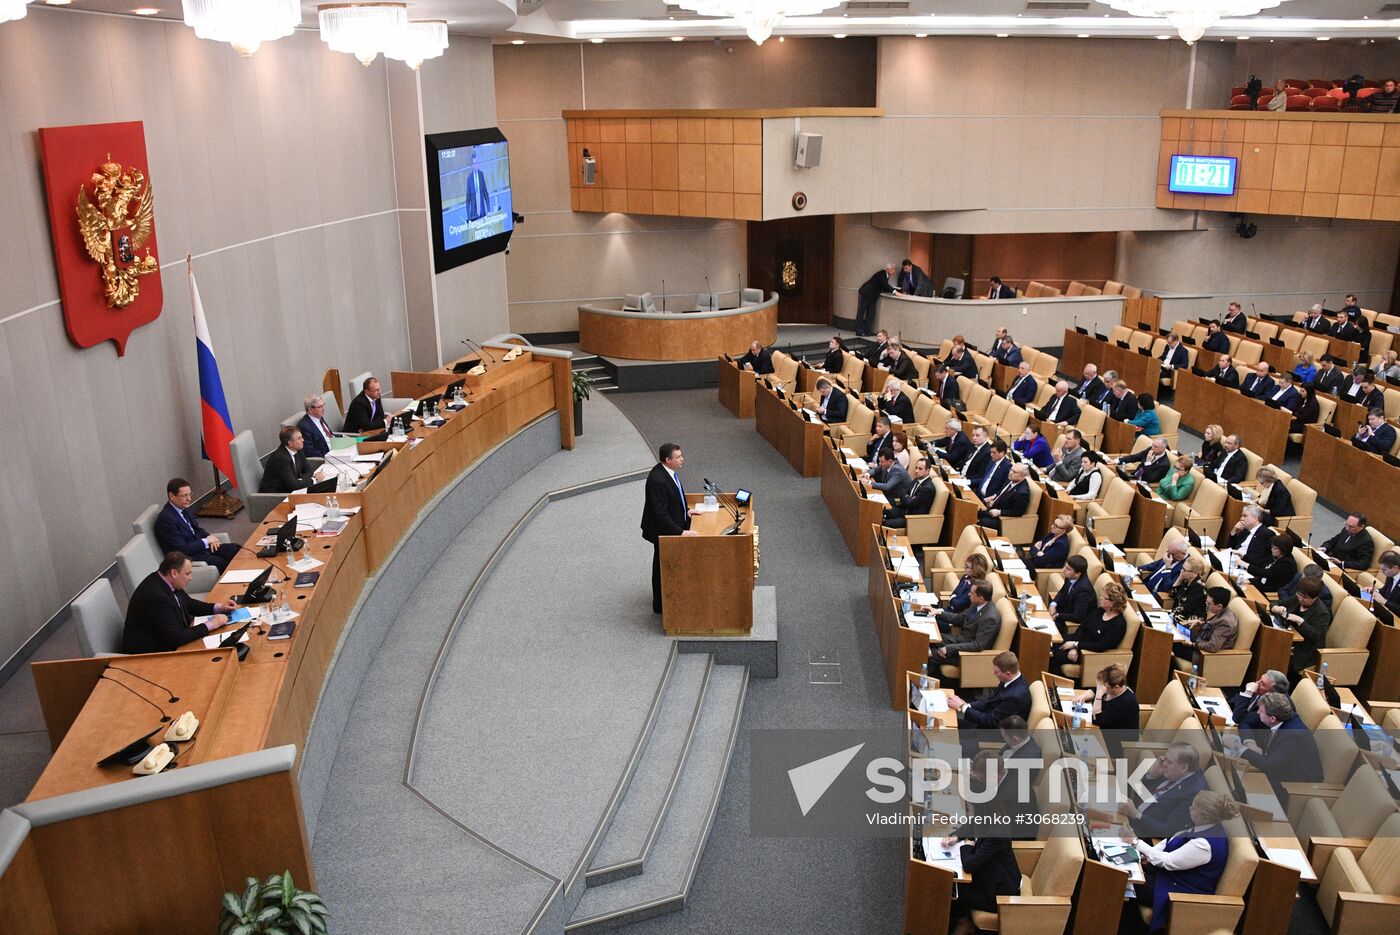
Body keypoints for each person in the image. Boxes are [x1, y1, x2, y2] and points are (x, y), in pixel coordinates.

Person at [1127, 792, 1239, 935]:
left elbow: (1168, 862)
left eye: (1194, 807)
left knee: (1125, 880)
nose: (1189, 808)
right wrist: (1149, 854)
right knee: (1126, 869)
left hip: (1178, 890)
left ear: (1204, 815)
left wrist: (1135, 842)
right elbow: (1171, 841)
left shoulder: (1205, 845)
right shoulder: (1204, 826)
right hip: (1171, 876)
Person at [121, 551, 238, 653]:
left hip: (168, 638)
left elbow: (190, 604)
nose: (190, 577)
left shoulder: (166, 581)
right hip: (149, 653)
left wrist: (219, 607)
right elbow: (177, 637)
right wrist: (212, 624)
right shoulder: (156, 597)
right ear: (174, 573)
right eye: (187, 573)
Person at [640, 443, 701, 613]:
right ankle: (660, 605)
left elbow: (674, 499)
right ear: (668, 460)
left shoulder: (669, 473)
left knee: (666, 564)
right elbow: (660, 514)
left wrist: (686, 512)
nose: (682, 459)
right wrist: (681, 532)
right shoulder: (658, 480)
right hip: (662, 532)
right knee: (662, 566)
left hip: (671, 525)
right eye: (678, 457)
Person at [1239, 692, 1323, 799]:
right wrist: (1249, 744)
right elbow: (1244, 721)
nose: (1258, 713)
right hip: (1279, 763)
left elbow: (1269, 766)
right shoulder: (1284, 718)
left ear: (1272, 719)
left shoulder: (1293, 735)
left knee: (1243, 781)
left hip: (1293, 783)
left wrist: (1240, 749)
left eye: (1261, 711)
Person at [1122, 742, 1208, 839]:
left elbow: (1167, 831)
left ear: (1183, 768)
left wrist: (1135, 814)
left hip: (1142, 835)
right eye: (1165, 758)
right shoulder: (1174, 772)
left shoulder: (1192, 794)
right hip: (1129, 818)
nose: (1164, 763)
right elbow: (1146, 796)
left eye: (1169, 762)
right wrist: (1152, 776)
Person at [154, 477, 239, 572]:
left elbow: (197, 529)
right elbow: (181, 549)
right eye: (184, 496)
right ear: (172, 496)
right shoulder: (166, 520)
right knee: (221, 562)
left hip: (201, 547)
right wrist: (206, 541)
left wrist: (211, 538)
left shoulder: (183, 507)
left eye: (190, 494)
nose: (189, 499)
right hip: (189, 557)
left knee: (235, 549)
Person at [1051, 582, 1127, 674]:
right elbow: (1083, 627)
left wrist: (1077, 646)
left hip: (1087, 653)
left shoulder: (1118, 625)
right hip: (1076, 641)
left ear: (1113, 603)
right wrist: (1074, 646)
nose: (1100, 598)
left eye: (1104, 597)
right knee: (1052, 643)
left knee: (1054, 655)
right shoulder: (1100, 611)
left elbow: (1100, 646)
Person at [946, 651, 1030, 727]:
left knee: (949, 726)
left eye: (997, 672)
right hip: (988, 715)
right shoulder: (1011, 679)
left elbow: (990, 721)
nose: (994, 673)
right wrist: (967, 705)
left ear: (1008, 673)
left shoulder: (1015, 697)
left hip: (993, 732)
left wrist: (963, 707)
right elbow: (990, 700)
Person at [1072, 663, 1139, 757]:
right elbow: (1094, 690)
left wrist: (1099, 694)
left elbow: (1097, 720)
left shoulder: (1125, 702)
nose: (1103, 689)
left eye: (1105, 688)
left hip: (1117, 744)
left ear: (1116, 687)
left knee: (1075, 742)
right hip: (1103, 732)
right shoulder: (1113, 689)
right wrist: (1084, 696)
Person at [1270, 576, 1330, 678]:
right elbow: (1276, 603)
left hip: (1305, 650)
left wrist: (1300, 621)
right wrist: (1276, 608)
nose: (1301, 599)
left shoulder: (1322, 613)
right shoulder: (1298, 598)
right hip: (1290, 638)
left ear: (1314, 598)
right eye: (1299, 595)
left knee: (1276, 659)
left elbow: (1315, 635)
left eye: (1305, 598)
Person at [933, 581, 1001, 664]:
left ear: (981, 599)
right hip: (959, 641)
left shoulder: (990, 618)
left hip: (966, 654)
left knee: (930, 655)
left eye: (972, 593)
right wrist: (939, 613)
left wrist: (949, 649)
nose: (969, 594)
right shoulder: (977, 604)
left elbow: (977, 645)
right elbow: (960, 618)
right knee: (929, 638)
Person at [1174, 586, 1238, 667]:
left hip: (1203, 655)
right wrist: (1200, 623)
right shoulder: (1224, 612)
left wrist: (1192, 644)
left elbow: (1212, 647)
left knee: (1171, 644)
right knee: (1176, 629)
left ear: (1219, 606)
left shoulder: (1226, 622)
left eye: (1209, 604)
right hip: (1201, 640)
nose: (1206, 605)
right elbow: (1213, 627)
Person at [260, 426, 319, 493]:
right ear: (290, 443)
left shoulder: (298, 449)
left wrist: (300, 481)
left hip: (291, 488)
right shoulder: (280, 458)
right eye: (299, 438)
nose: (303, 440)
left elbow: (308, 470)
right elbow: (293, 485)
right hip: (276, 495)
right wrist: (314, 479)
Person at [883, 457, 937, 529]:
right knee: (881, 510)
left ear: (927, 471)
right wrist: (907, 497)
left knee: (884, 523)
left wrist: (906, 496)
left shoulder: (927, 488)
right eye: (916, 468)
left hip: (911, 518)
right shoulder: (917, 479)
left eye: (920, 469)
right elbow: (903, 491)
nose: (917, 471)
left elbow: (910, 503)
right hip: (903, 510)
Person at [977, 462, 1029, 532]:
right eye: (1011, 470)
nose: (1011, 473)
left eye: (1015, 472)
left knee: (981, 520)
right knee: (974, 511)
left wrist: (999, 512)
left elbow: (1017, 512)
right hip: (994, 507)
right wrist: (994, 496)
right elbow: (1003, 491)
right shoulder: (1011, 479)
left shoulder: (1022, 493)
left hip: (1003, 519)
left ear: (1022, 476)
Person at [1049, 555, 1097, 626]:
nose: (1063, 569)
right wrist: (1053, 604)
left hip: (1068, 624)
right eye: (1065, 566)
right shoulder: (1070, 576)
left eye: (1068, 569)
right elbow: (1062, 592)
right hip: (1063, 611)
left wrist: (1057, 616)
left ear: (1077, 574)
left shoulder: (1084, 590)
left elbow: (1078, 616)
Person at [855, 264, 896, 336]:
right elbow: (885, 285)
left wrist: (895, 290)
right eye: (893, 270)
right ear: (888, 269)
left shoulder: (886, 276)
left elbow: (883, 286)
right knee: (861, 313)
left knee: (871, 313)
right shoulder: (882, 273)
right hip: (865, 293)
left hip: (872, 296)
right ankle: (859, 331)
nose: (894, 271)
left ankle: (867, 330)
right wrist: (894, 292)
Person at [1167, 556, 1208, 621]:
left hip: (1190, 620)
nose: (1181, 571)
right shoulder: (1186, 580)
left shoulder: (1198, 588)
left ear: (1195, 574)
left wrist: (1169, 615)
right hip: (1177, 614)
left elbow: (1186, 609)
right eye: (1182, 568)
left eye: (1184, 570)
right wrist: (1180, 579)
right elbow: (1171, 594)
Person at [297, 394, 336, 459]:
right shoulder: (304, 427)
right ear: (310, 409)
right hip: (326, 457)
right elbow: (309, 451)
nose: (323, 409)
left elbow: (329, 435)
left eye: (323, 405)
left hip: (336, 450)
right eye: (320, 407)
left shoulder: (319, 418)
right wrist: (329, 456)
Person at [464, 146, 491, 220]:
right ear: (472, 165)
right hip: (474, 215)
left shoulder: (481, 175)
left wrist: (488, 210)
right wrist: (469, 218)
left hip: (483, 213)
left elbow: (486, 194)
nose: (475, 165)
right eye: (474, 163)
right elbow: (467, 201)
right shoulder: (469, 179)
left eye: (477, 163)